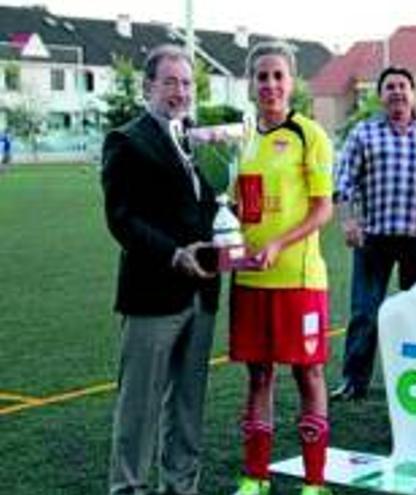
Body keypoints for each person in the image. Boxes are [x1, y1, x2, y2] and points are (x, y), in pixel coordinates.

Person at [101, 44, 218, 495]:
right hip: (153, 294)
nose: (180, 91)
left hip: (202, 294)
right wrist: (174, 254)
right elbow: (123, 218)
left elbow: (211, 207)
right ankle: (128, 488)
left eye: (186, 83)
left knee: (188, 405)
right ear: (148, 86)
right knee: (140, 406)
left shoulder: (202, 139)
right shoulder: (127, 140)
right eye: (169, 82)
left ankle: (180, 487)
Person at [228, 41, 334, 495]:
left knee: (307, 373)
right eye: (261, 76)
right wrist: (225, 240)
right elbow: (233, 207)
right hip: (250, 277)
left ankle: (314, 482)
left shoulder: (311, 134)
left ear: (292, 82)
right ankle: (256, 478)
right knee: (258, 375)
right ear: (250, 84)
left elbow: (322, 210)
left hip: (299, 280)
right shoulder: (240, 139)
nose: (270, 84)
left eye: (278, 75)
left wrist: (278, 242)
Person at [332, 65, 416, 401]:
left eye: (402, 86)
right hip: (373, 238)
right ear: (381, 96)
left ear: (413, 92)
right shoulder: (363, 133)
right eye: (389, 86)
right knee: (365, 312)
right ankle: (354, 381)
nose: (396, 91)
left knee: (415, 314)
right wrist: (349, 221)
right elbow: (343, 183)